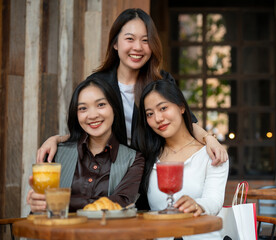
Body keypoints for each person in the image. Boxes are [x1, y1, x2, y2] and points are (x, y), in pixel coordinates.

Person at [36, 8, 228, 166]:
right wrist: (57, 139)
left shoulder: (160, 81)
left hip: (151, 172)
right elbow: (88, 128)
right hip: (109, 175)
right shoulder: (98, 83)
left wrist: (209, 139)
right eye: (130, 39)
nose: (138, 47)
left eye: (145, 40)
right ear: (115, 44)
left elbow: (187, 122)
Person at [27, 78, 144, 213]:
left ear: (114, 108)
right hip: (60, 233)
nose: (92, 115)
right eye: (83, 108)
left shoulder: (134, 159)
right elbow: (41, 209)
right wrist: (38, 204)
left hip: (107, 234)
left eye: (101, 105)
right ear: (76, 114)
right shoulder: (56, 153)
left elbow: (121, 203)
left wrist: (58, 200)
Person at [136, 79, 228, 240]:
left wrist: (198, 205)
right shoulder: (147, 157)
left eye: (163, 108)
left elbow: (214, 200)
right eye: (150, 114)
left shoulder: (211, 154)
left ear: (181, 107)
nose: (158, 118)